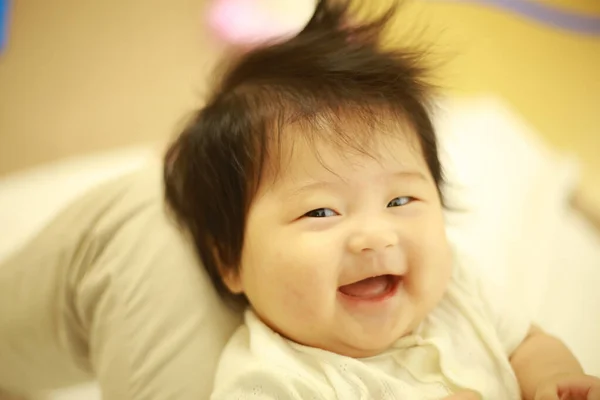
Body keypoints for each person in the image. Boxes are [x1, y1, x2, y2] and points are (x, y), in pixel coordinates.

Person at [163, 1, 600, 399]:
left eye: (400, 200)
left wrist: (552, 378)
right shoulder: (272, 381)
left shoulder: (455, 289)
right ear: (231, 261)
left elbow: (527, 343)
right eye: (321, 211)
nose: (374, 236)